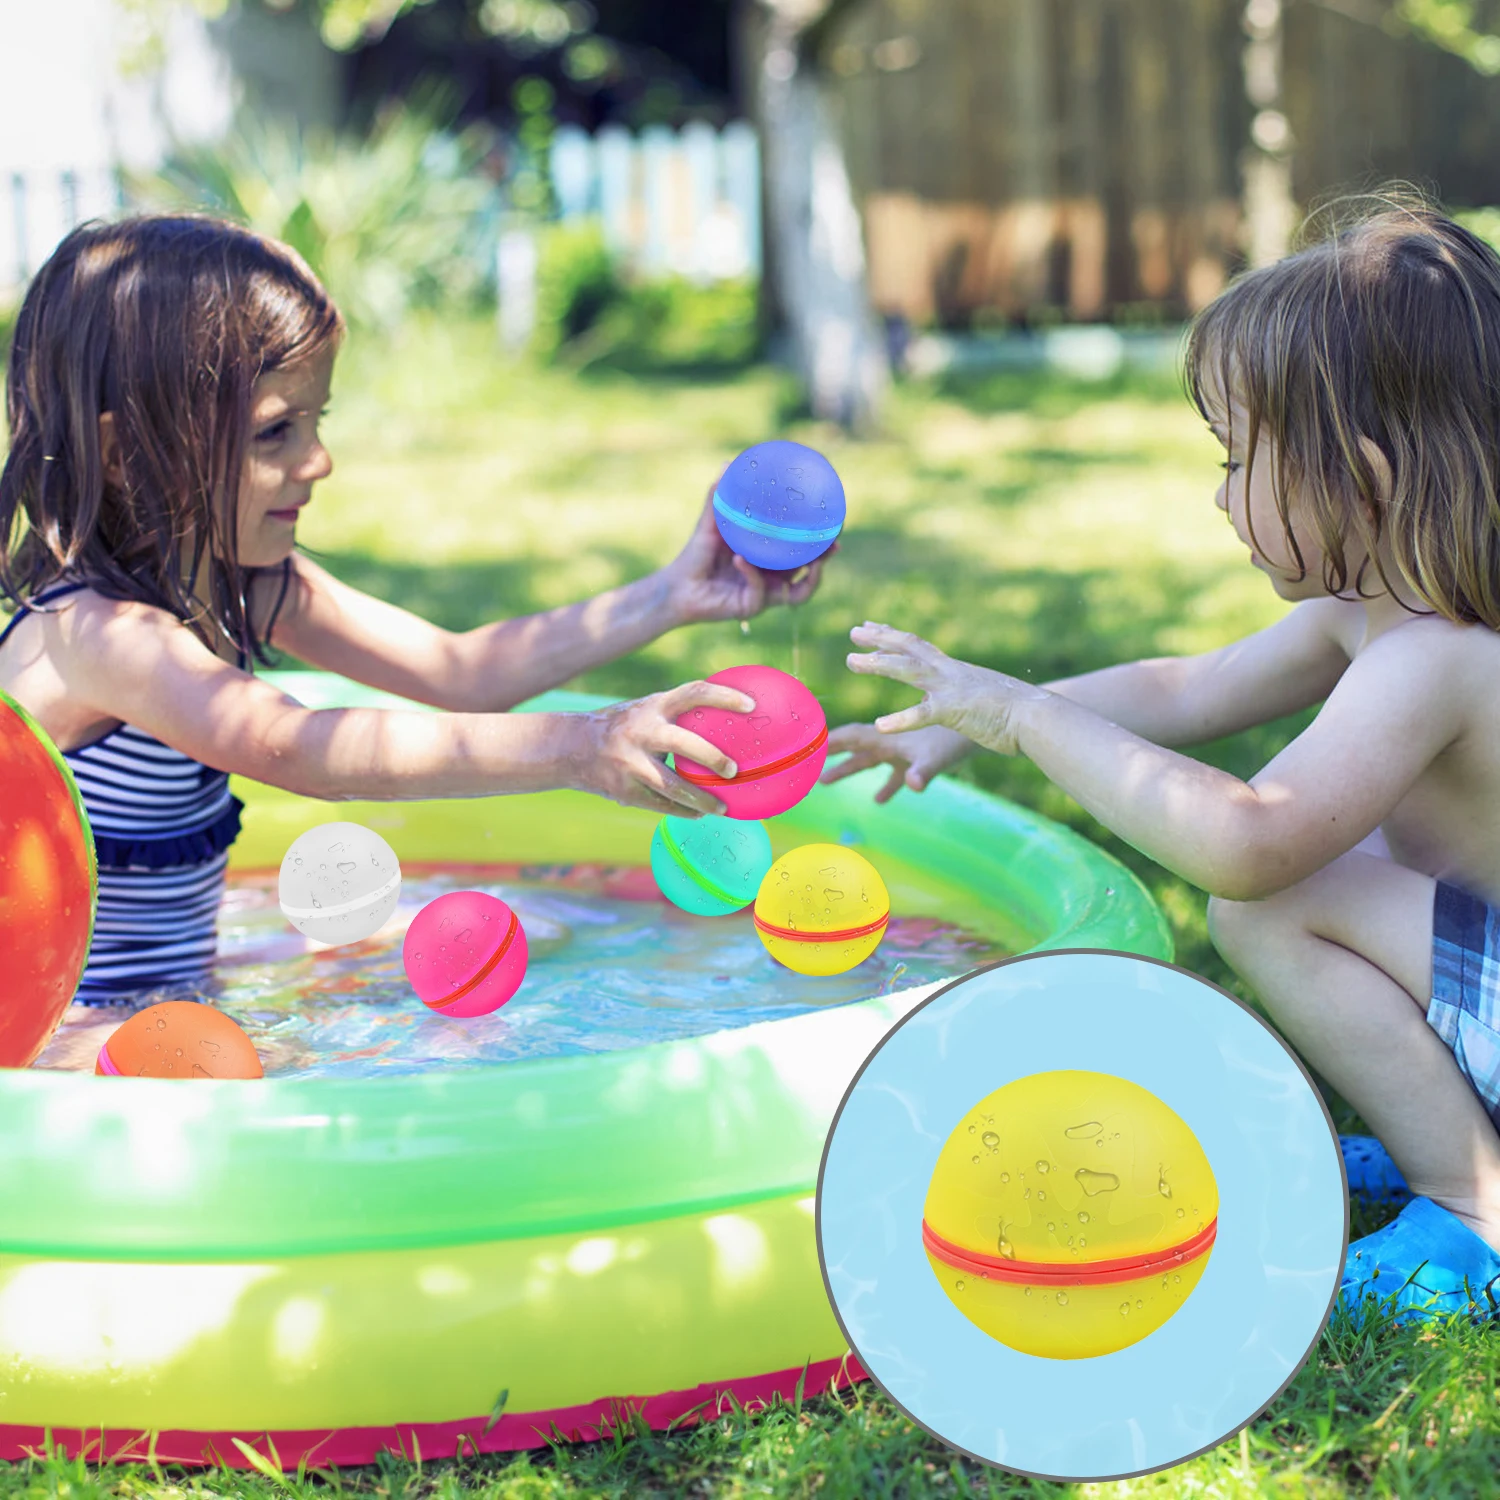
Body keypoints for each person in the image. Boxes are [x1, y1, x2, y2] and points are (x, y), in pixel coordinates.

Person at [821, 191, 1500, 1325]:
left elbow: (1248, 843)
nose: (1220, 493)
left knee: (1275, 901)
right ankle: (1447, 1126)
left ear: (1366, 481)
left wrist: (1029, 723)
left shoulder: (1432, 655)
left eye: (1242, 459)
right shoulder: (1377, 614)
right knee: (1345, 854)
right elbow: (1185, 686)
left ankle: (1470, 1201)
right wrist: (970, 717)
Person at [0, 214, 831, 1005]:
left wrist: (671, 594)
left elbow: (462, 674)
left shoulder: (242, 584)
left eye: (316, 422)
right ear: (123, 455)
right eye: (274, 433)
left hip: (158, 1012)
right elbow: (296, 749)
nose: (318, 461)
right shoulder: (97, 635)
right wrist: (585, 745)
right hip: (55, 1045)